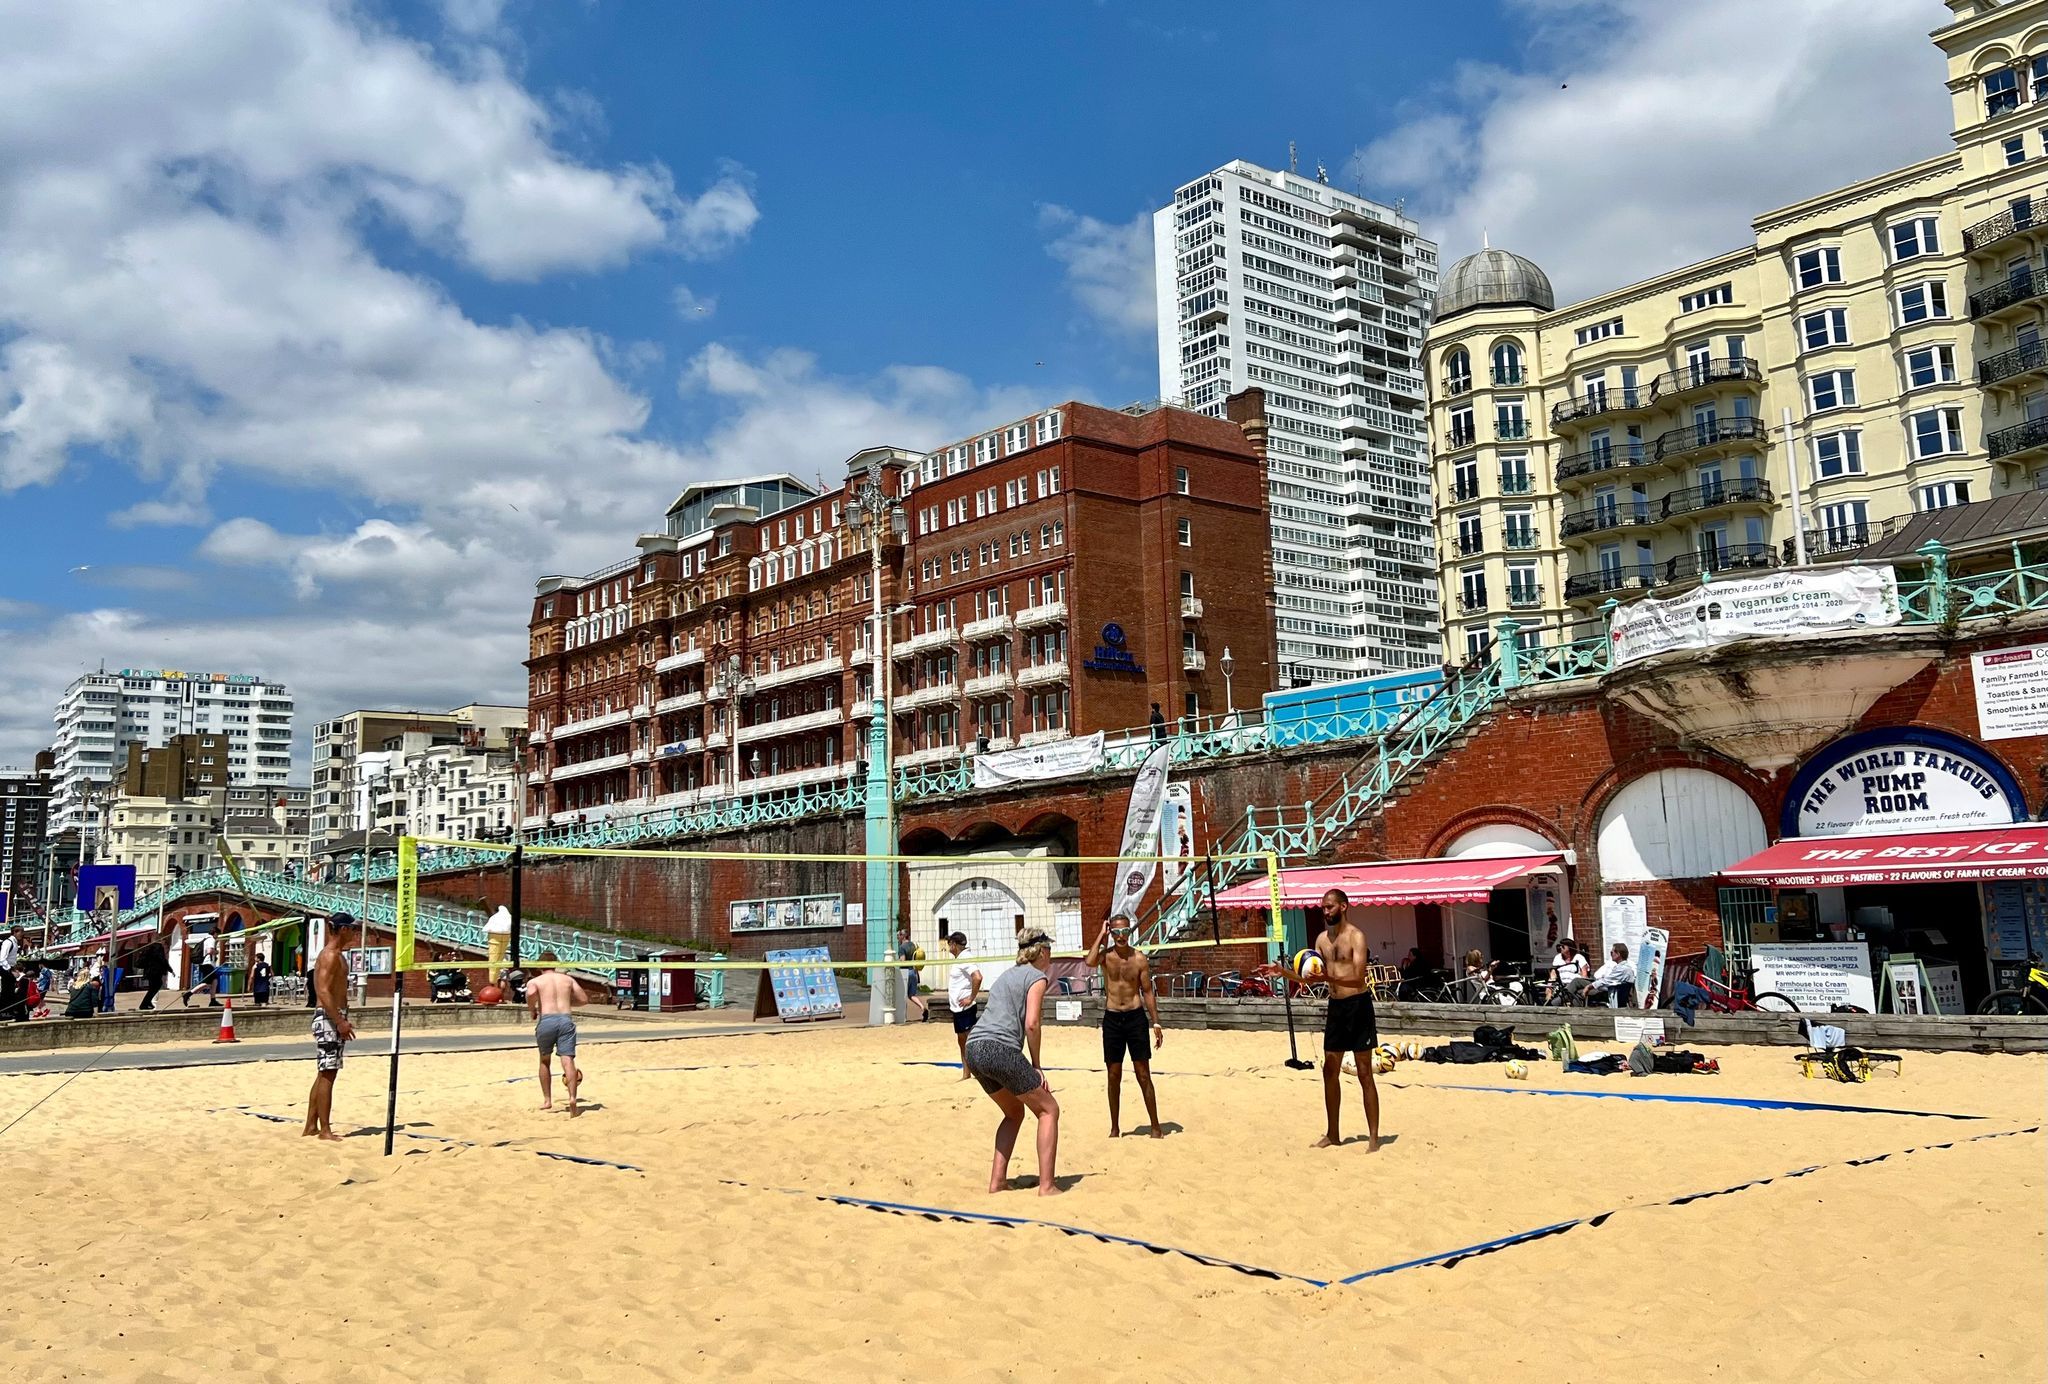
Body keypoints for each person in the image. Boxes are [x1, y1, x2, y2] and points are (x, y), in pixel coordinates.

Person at [962, 928, 1062, 1195]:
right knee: (1049, 1110)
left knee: (1014, 1112)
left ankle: (997, 1182)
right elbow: (1032, 1024)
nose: (1051, 954)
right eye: (1049, 949)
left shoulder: (1006, 975)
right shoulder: (1037, 977)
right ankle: (1047, 1186)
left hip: (973, 1048)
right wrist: (1037, 1065)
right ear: (1041, 952)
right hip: (999, 1049)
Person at [1312, 889, 1381, 1152]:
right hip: (1336, 1007)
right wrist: (1283, 972)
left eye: (1329, 907)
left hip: (1357, 1006)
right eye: (1323, 907)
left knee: (1364, 1072)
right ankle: (1333, 1133)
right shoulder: (1321, 940)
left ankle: (1373, 1137)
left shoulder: (1356, 936)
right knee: (1329, 1069)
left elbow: (1358, 977)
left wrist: (1327, 979)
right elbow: (1312, 976)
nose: (1325, 911)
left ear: (1343, 906)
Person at [1087, 919, 1165, 1138]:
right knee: (1113, 1074)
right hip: (1112, 1019)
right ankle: (1115, 1127)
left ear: (1130, 931)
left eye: (1125, 931)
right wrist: (1101, 934)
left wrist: (1156, 1021)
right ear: (1112, 933)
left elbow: (1148, 991)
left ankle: (1156, 1126)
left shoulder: (1139, 958)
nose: (1121, 935)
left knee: (1143, 1073)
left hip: (1135, 1018)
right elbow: (1090, 961)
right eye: (1117, 931)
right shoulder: (1106, 956)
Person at [302, 913, 359, 1141]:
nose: (355, 933)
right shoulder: (330, 956)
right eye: (352, 929)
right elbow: (323, 991)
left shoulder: (338, 956)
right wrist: (339, 1021)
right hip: (328, 1017)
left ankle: (310, 1125)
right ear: (343, 929)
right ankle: (324, 1130)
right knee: (328, 1074)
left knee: (324, 1072)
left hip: (332, 1016)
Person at [526, 952, 589, 1116]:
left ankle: (547, 1100)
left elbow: (531, 993)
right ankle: (573, 1097)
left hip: (547, 1019)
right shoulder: (567, 979)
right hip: (565, 1019)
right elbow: (583, 999)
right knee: (568, 1060)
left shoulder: (536, 981)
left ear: (539, 965)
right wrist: (568, 1002)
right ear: (555, 964)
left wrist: (532, 1009)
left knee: (544, 1060)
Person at [943, 929, 983, 1081]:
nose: (948, 947)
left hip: (964, 1008)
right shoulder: (961, 958)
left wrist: (971, 998)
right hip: (958, 1008)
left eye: (949, 944)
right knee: (962, 1041)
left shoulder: (965, 958)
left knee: (969, 1041)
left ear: (954, 944)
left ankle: (978, 1073)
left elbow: (978, 977)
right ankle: (966, 1074)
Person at [896, 925, 928, 1024]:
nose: (897, 937)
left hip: (906, 973)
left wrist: (896, 963)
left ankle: (903, 1017)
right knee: (911, 995)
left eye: (899, 935)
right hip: (914, 972)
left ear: (903, 936)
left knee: (902, 995)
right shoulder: (913, 945)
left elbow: (903, 961)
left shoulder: (902, 947)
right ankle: (923, 1008)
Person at [181, 929, 220, 1008]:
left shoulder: (205, 939)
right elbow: (210, 951)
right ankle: (188, 994)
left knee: (214, 981)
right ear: (215, 933)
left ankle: (213, 1000)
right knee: (207, 983)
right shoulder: (211, 939)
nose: (217, 937)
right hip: (208, 964)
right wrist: (217, 952)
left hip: (204, 964)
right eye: (217, 935)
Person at [1588, 943, 1635, 1007]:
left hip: (1614, 997)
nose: (1611, 955)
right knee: (1578, 983)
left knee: (1582, 991)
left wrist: (1589, 987)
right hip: (1611, 991)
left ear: (1618, 954)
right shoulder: (1622, 967)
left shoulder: (1622, 969)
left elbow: (1606, 981)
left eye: (1611, 953)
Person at [1549, 938, 1590, 1004]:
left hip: (1574, 985)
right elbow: (1553, 974)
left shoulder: (1579, 957)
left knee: (1574, 997)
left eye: (1563, 946)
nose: (1561, 948)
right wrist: (1549, 986)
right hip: (1561, 985)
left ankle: (1555, 1003)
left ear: (1570, 947)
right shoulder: (1557, 957)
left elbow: (1584, 975)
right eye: (1559, 946)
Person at [136, 934, 171, 1011]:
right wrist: (170, 969)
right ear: (162, 941)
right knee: (156, 985)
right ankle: (145, 1003)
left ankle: (147, 1002)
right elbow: (162, 959)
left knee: (153, 987)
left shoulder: (149, 947)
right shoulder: (159, 948)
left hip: (149, 971)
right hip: (156, 971)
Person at [484, 904, 512, 986]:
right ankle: (499, 993)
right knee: (502, 978)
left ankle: (493, 986)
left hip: (500, 954)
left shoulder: (495, 918)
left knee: (493, 973)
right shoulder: (508, 918)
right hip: (505, 959)